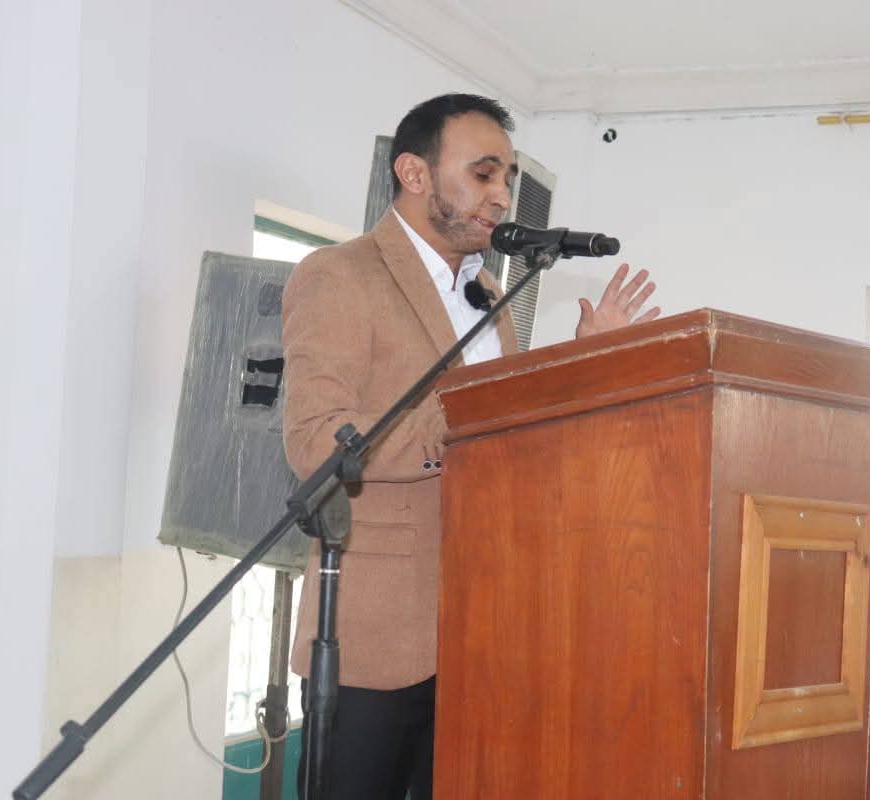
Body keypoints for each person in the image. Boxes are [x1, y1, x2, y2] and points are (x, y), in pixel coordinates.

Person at [281, 93, 660, 800]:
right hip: (375, 639)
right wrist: (471, 413)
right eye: (484, 174)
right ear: (414, 173)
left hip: (481, 631)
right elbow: (315, 441)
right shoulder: (340, 275)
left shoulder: (488, 293)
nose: (502, 196)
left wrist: (581, 364)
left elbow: (510, 447)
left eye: (507, 178)